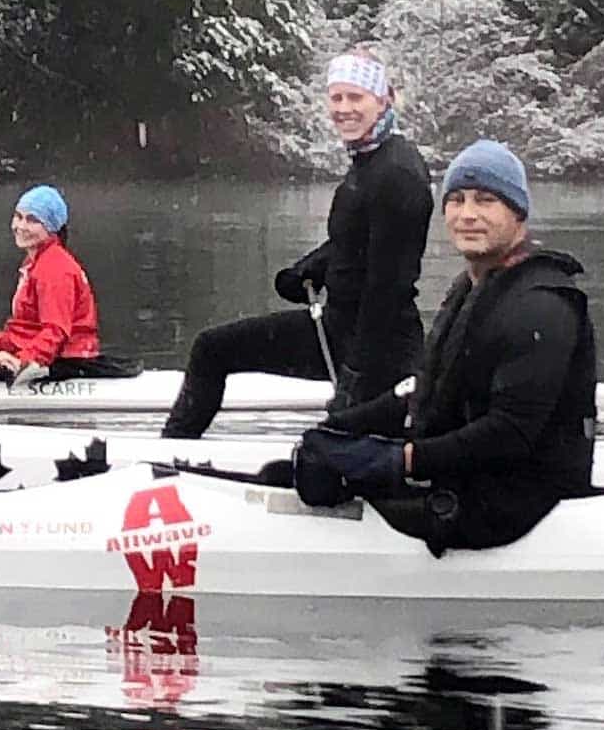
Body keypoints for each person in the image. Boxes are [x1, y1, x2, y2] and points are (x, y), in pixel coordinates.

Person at [297, 139, 599, 556]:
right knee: (288, 472)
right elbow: (425, 391)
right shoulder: (473, 287)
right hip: (473, 474)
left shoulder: (541, 305)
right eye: (456, 200)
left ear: (518, 214)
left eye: (486, 200)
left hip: (517, 501)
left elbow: (509, 434)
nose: (468, 214)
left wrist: (399, 459)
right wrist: (341, 429)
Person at [162, 46, 432, 438]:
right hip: (341, 329)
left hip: (379, 348)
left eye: (355, 97)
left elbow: (389, 285)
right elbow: (355, 242)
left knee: (213, 350)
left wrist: (358, 372)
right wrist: (311, 267)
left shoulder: (398, 173)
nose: (343, 108)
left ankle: (169, 455)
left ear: (383, 99)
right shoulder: (370, 161)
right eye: (336, 97)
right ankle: (171, 452)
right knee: (213, 348)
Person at [0, 184, 101, 382]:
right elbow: (23, 331)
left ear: (51, 228)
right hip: (46, 354)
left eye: (32, 220)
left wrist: (20, 362)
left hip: (68, 361)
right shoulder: (35, 263)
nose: (21, 227)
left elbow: (56, 332)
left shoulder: (55, 269)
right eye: (18, 217)